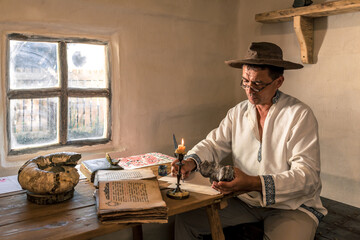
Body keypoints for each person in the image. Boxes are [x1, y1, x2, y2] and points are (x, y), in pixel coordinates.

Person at [171, 42, 327, 240]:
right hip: (245, 201)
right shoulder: (238, 112)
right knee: (186, 221)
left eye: (258, 84)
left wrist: (254, 183)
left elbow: (307, 177)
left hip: (292, 206)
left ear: (278, 82)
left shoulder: (299, 115)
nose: (250, 90)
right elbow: (213, 143)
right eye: (245, 81)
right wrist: (191, 161)